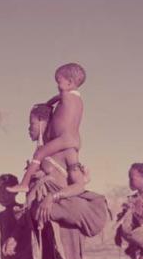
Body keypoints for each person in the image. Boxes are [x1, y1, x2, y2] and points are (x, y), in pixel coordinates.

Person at [3, 102, 109, 259]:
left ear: (41, 122)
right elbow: (30, 203)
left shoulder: (67, 151)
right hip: (46, 227)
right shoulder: (40, 155)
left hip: (65, 226)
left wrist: (54, 197)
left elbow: (79, 184)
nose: (28, 129)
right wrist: (16, 234)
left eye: (30, 124)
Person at [7, 62, 86, 195]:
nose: (57, 86)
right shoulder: (77, 100)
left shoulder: (65, 94)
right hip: (75, 140)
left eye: (59, 81)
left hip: (64, 138)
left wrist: (47, 104)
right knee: (72, 169)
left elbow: (57, 97)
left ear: (69, 83)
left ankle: (24, 183)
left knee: (40, 153)